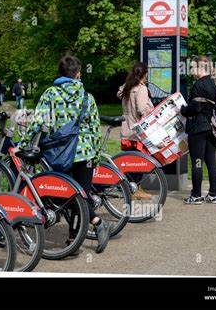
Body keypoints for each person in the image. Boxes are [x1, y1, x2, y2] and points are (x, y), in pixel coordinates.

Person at [19, 55, 113, 254]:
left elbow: (36, 121)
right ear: (78, 73)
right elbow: (95, 129)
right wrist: (95, 156)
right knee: (81, 195)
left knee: (66, 195)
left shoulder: (51, 94)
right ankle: (81, 232)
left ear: (60, 73)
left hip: (60, 153)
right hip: (85, 152)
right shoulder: (88, 97)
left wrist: (21, 144)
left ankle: (84, 230)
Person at [180, 56, 216, 205]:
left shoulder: (198, 85)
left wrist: (183, 110)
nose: (191, 70)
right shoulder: (214, 84)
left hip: (198, 128)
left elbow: (195, 108)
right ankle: (213, 194)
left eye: (192, 67)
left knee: (197, 162)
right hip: (212, 127)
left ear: (200, 67)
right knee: (211, 161)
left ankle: (196, 195)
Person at [117, 62, 154, 200]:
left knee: (129, 161)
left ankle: (129, 188)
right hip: (138, 132)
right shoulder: (141, 89)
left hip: (127, 130)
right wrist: (152, 111)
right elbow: (141, 109)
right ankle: (135, 189)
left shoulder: (127, 87)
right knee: (139, 162)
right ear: (144, 75)